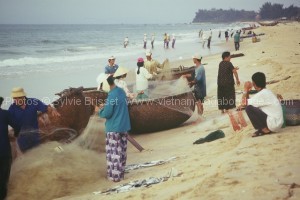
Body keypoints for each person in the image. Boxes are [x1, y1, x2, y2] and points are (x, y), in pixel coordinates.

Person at [96, 76, 131, 182]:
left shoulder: (111, 95)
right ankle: (121, 174)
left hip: (113, 128)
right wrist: (105, 106)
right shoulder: (121, 91)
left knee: (114, 153)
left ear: (107, 85)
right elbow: (117, 105)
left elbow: (107, 113)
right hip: (124, 126)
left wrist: (99, 111)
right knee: (122, 152)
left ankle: (115, 178)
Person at [8, 87, 60, 152]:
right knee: (27, 157)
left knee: (38, 154)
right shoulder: (12, 108)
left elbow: (46, 108)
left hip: (35, 136)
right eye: (14, 98)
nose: (16, 100)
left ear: (23, 96)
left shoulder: (33, 102)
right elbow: (8, 121)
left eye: (19, 97)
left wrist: (53, 109)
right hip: (22, 139)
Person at [239, 72, 284, 137]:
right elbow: (248, 102)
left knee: (249, 108)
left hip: (273, 123)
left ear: (254, 84)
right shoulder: (267, 92)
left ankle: (264, 129)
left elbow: (243, 103)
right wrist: (248, 92)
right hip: (277, 122)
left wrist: (245, 89)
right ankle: (264, 128)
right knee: (251, 106)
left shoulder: (262, 94)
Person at [0, 96, 17, 200]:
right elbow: (17, 125)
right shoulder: (5, 114)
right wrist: (15, 135)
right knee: (3, 179)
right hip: (4, 153)